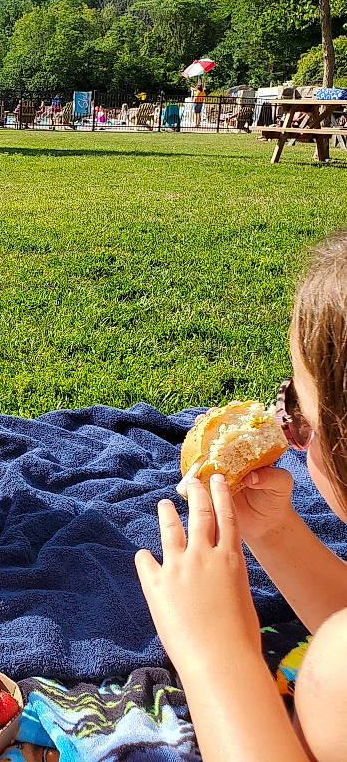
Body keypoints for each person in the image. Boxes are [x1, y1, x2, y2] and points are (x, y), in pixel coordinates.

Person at [136, 230, 347, 762]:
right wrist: (275, 534)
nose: (284, 423)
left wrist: (215, 655)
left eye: (299, 410)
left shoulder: (335, 679)